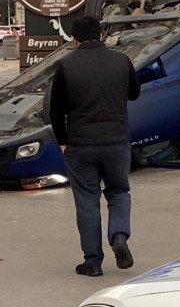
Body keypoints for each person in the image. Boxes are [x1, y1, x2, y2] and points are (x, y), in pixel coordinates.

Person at [49, 16, 141, 277]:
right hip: (116, 142)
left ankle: (92, 263)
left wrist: (63, 141)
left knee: (87, 201)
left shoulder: (66, 65)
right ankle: (119, 235)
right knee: (119, 192)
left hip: (80, 144)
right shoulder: (121, 61)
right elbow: (134, 93)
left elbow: (55, 111)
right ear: (102, 36)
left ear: (74, 40)